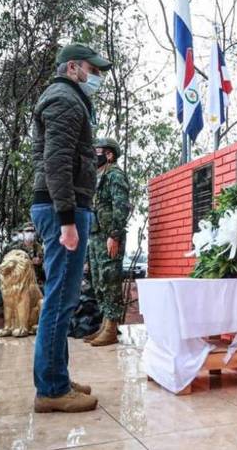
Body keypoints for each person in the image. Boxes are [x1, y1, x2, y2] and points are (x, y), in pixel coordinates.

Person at [30, 42, 111, 413]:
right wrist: (66, 220)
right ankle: (51, 389)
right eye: (92, 70)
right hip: (63, 208)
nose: (96, 77)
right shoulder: (64, 98)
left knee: (62, 300)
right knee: (61, 301)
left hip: (66, 206)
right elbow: (57, 161)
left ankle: (56, 376)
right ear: (73, 67)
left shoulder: (69, 98)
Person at [83, 138, 130, 347]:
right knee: (99, 280)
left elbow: (121, 206)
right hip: (95, 235)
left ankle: (111, 327)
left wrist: (115, 235)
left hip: (109, 235)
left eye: (98, 151)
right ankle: (105, 324)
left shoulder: (115, 175)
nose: (94, 155)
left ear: (109, 154)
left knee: (110, 279)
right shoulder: (97, 177)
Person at [3, 222, 45, 288]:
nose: (30, 233)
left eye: (32, 231)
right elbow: (7, 265)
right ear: (23, 232)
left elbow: (46, 268)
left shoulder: (39, 248)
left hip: (36, 285)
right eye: (27, 231)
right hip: (18, 285)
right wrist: (30, 262)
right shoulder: (14, 247)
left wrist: (40, 263)